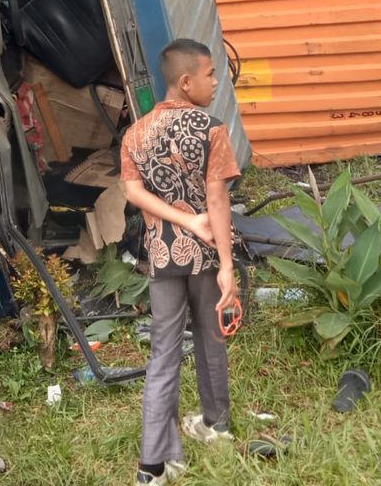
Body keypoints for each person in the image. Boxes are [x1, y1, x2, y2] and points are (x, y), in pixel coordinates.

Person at [119, 38, 242, 485]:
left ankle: (153, 465)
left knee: (163, 354)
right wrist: (226, 263)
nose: (215, 82)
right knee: (212, 340)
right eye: (210, 74)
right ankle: (216, 425)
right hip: (207, 257)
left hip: (163, 260)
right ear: (186, 81)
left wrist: (180, 222)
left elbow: (133, 193)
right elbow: (217, 199)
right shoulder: (211, 129)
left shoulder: (135, 134)